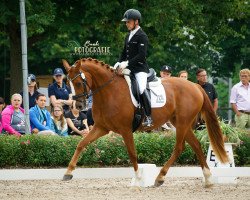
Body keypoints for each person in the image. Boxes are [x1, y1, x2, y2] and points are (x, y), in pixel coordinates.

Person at [114, 9, 152, 127]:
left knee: (141, 89)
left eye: (128, 22)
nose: (126, 24)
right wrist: (118, 62)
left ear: (136, 21)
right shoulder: (128, 36)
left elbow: (141, 55)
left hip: (140, 69)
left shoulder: (142, 36)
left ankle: (148, 117)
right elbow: (124, 52)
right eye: (126, 22)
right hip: (129, 68)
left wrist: (127, 63)